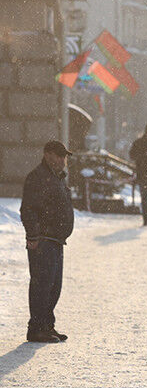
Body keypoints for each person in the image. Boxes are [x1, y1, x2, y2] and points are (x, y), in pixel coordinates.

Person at [20, 141, 75, 343]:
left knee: (53, 286)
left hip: (55, 239)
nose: (62, 160)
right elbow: (28, 209)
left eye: (64, 156)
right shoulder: (38, 177)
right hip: (43, 239)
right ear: (47, 155)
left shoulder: (56, 177)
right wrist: (33, 236)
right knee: (42, 285)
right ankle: (36, 328)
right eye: (59, 155)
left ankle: (46, 325)